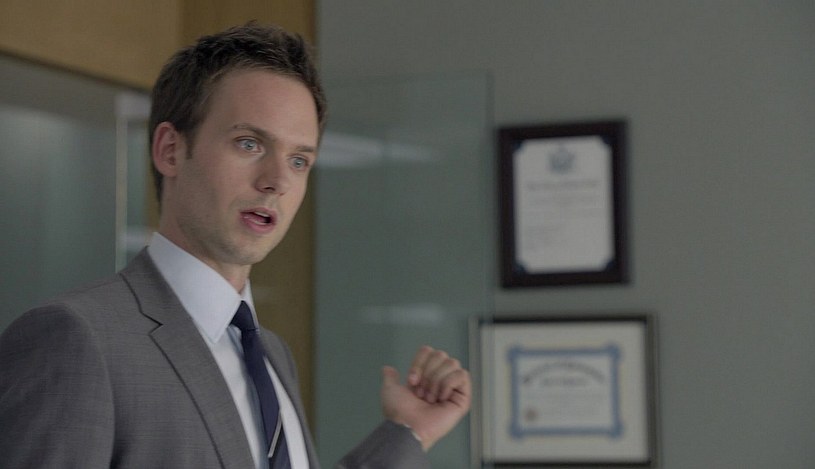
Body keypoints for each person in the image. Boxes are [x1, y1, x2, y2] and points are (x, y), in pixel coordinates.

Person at [0, 24, 470, 469]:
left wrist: (407, 432)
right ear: (170, 150)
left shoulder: (270, 354)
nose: (277, 180)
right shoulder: (76, 338)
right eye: (249, 144)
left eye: (299, 160)